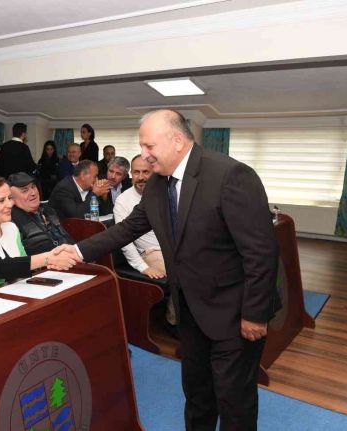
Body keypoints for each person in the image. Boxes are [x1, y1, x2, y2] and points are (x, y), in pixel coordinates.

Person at [70, 109, 279, 430]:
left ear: (177, 140)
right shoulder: (158, 185)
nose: (144, 155)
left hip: (235, 312)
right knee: (197, 393)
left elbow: (261, 252)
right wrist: (76, 251)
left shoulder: (230, 175)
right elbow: (127, 229)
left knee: (234, 400)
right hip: (190, 311)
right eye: (142, 146)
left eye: (149, 146)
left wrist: (255, 313)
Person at [0, 176, 76, 295]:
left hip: (10, 295)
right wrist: (48, 258)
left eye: (10, 198)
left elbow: (22, 269)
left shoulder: (11, 228)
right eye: (1, 201)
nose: (10, 204)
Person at [113, 155, 165, 279]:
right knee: (184, 275)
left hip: (175, 249)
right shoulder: (123, 200)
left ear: (154, 172)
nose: (141, 177)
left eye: (146, 172)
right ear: (131, 174)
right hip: (151, 253)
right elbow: (124, 240)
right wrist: (143, 267)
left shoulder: (165, 191)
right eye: (136, 172)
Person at [8, 172, 74, 255]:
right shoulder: (12, 222)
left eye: (33, 187)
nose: (33, 193)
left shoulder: (49, 210)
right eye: (25, 191)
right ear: (12, 198)